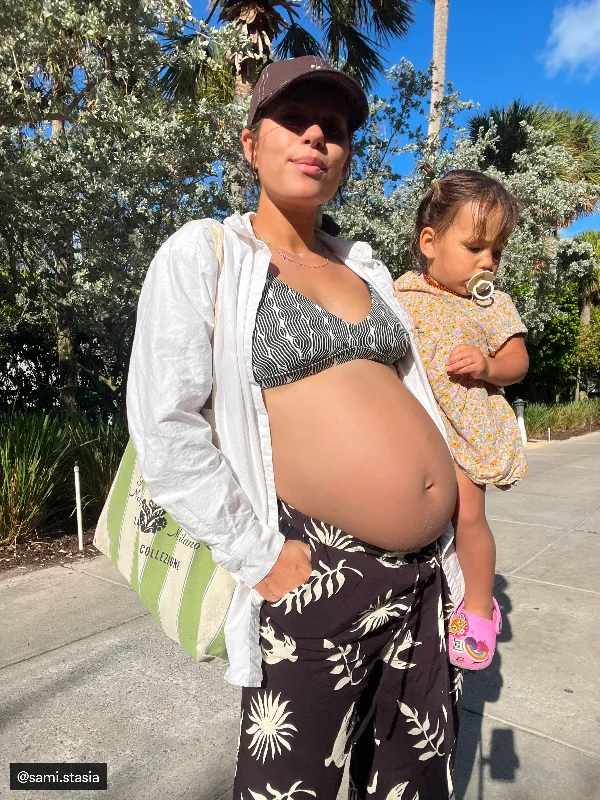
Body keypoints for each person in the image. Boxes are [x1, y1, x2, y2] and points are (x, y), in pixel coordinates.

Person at [127, 56, 464, 800]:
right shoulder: (209, 254)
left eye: (336, 128)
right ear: (251, 144)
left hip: (421, 581)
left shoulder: (366, 269)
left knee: (415, 786)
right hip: (316, 575)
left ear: (345, 156)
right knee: (290, 788)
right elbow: (164, 423)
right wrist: (260, 556)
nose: (316, 134)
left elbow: (416, 402)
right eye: (293, 119)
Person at [394, 170, 529, 672]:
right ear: (430, 242)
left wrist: (489, 365)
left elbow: (518, 362)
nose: (487, 262)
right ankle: (420, 591)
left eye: (496, 251)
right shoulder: (400, 293)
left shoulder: (491, 303)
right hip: (418, 423)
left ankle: (476, 608)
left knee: (467, 514)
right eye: (475, 247)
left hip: (468, 427)